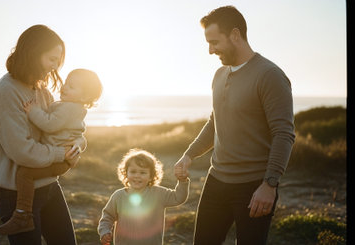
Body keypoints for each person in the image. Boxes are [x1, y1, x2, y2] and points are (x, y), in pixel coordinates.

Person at [174, 6, 296, 245]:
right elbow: (214, 123)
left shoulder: (270, 75)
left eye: (214, 42)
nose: (210, 50)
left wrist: (269, 184)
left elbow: (283, 134)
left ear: (235, 35)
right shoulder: (219, 75)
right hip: (216, 181)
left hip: (253, 188)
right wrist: (189, 155)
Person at [0, 24, 84, 245]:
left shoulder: (42, 91)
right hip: (18, 195)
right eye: (52, 59)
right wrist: (62, 153)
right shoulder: (6, 91)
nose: (55, 67)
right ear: (33, 53)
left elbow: (65, 128)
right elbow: (23, 152)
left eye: (58, 61)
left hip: (49, 186)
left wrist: (77, 144)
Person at [0, 68, 103, 235]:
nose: (64, 87)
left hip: (59, 161)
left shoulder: (70, 109)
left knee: (24, 174)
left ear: (83, 97)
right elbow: (77, 133)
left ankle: (22, 215)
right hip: (59, 160)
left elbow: (49, 124)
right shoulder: (69, 106)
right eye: (66, 83)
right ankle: (24, 214)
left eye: (72, 87)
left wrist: (33, 111)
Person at [98, 148, 190, 245]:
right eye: (133, 172)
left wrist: (182, 181)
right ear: (126, 173)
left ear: (151, 176)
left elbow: (178, 198)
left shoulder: (158, 194)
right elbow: (108, 216)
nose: (137, 176)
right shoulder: (118, 196)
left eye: (142, 172)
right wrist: (104, 231)